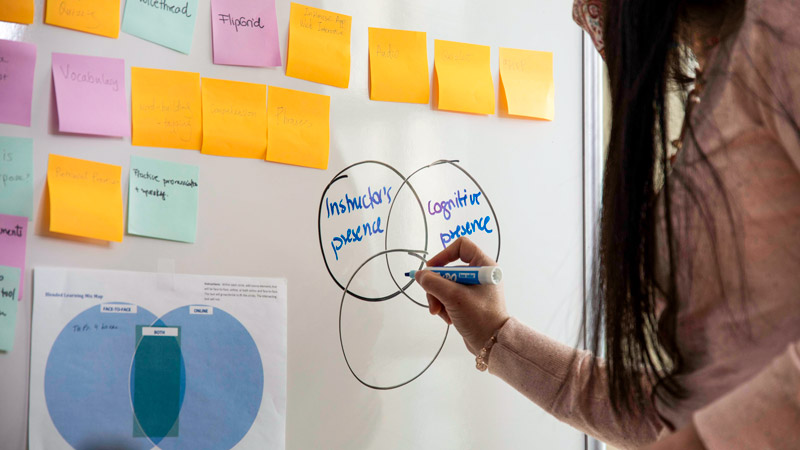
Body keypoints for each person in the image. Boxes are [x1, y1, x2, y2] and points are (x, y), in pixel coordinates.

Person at [415, 0, 800, 449]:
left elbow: (701, 428)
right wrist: (497, 337)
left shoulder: (781, 26)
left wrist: (699, 440)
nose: (578, 13)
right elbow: (676, 412)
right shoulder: (719, 67)